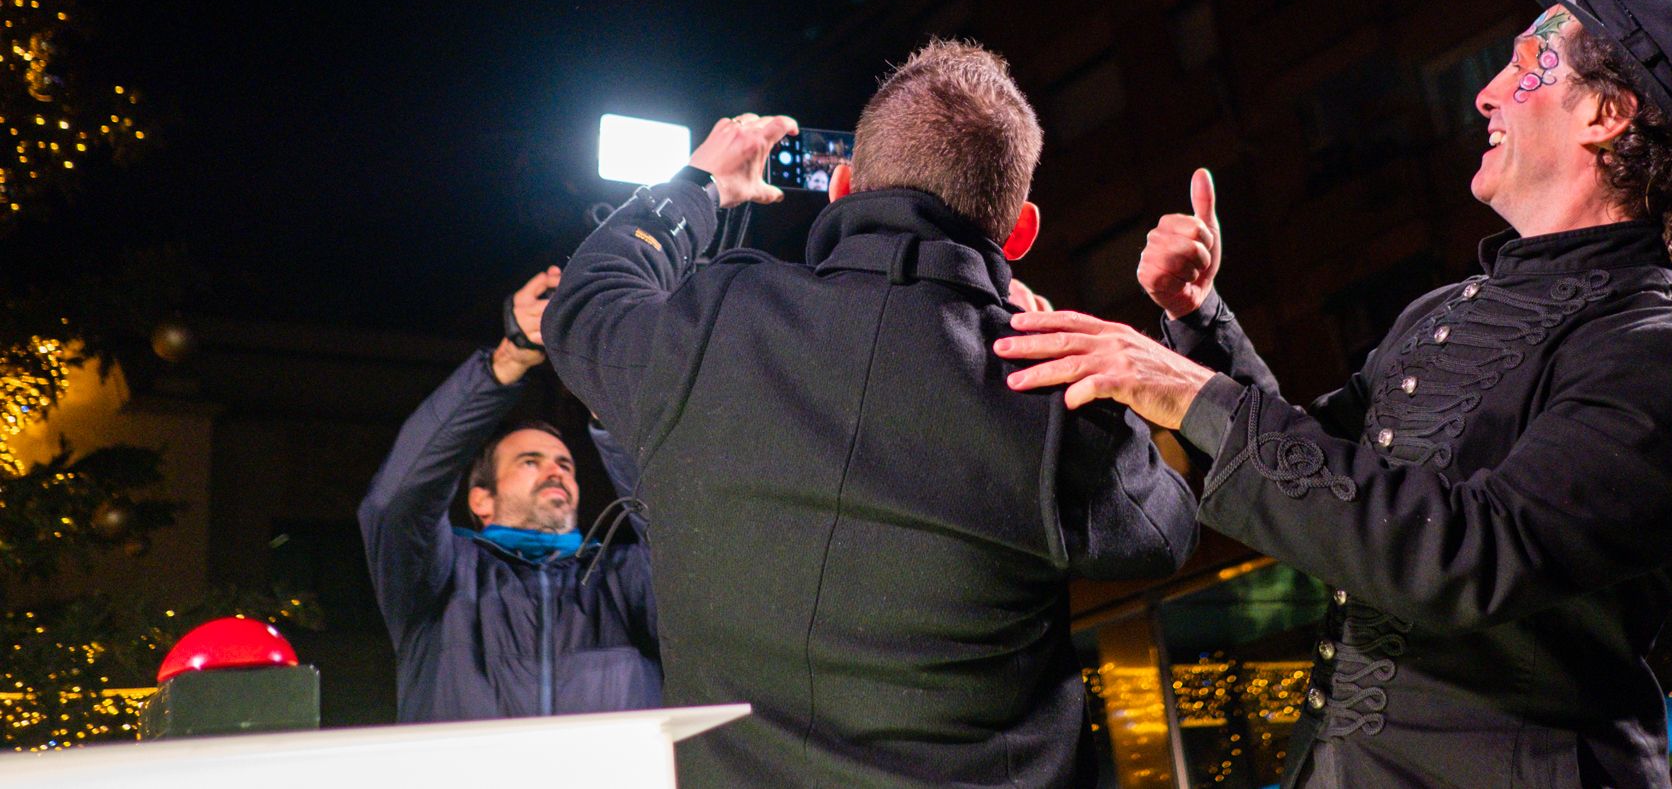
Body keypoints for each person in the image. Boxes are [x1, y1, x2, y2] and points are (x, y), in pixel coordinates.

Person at [998, 0, 1672, 787]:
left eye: (1528, 65)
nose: (1487, 91)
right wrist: (1199, 318)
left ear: (1609, 115)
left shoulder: (1665, 350)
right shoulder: (1444, 310)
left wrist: (1190, 392)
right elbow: (1321, 479)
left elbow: (1471, 553)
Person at [543, 40, 1199, 787]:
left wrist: (698, 184)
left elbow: (586, 303)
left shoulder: (714, 327)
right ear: (1019, 232)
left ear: (843, 186)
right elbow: (1165, 530)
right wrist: (1094, 377)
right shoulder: (1047, 393)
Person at [359, 268, 660, 721]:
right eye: (529, 462)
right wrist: (508, 361)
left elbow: (682, 527)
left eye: (565, 464)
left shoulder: (625, 579)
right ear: (480, 499)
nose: (555, 471)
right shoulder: (440, 580)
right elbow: (397, 500)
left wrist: (608, 399)